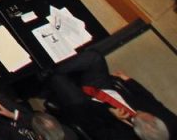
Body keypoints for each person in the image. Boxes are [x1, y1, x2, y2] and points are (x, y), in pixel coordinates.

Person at [45, 49, 177, 140]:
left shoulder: (120, 137)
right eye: (151, 118)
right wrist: (129, 80)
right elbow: (150, 99)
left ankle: (44, 75)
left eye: (140, 117)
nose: (141, 112)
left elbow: (92, 127)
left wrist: (110, 113)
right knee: (94, 57)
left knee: (58, 79)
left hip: (87, 107)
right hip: (107, 90)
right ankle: (49, 71)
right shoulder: (170, 121)